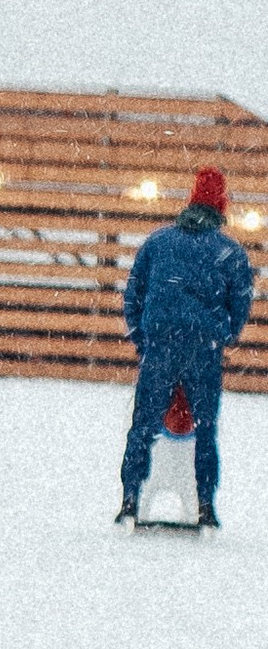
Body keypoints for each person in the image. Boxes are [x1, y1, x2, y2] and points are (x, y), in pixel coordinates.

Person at [118, 167, 252, 528]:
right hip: (203, 348)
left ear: (190, 203)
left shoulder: (158, 242)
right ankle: (204, 503)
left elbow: (133, 294)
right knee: (205, 429)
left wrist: (143, 339)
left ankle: (131, 497)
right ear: (220, 209)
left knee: (142, 426)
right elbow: (240, 303)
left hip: (160, 342)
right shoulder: (229, 251)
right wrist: (223, 335)